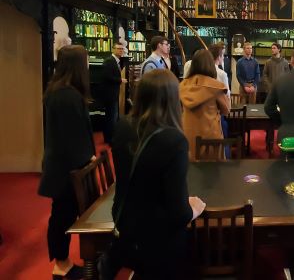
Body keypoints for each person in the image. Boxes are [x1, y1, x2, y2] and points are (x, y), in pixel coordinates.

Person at [101, 70, 206, 279]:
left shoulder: (122, 127)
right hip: (158, 238)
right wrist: (193, 209)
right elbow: (178, 213)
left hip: (126, 224)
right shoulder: (174, 140)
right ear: (173, 99)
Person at [38, 45, 95, 280]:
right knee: (63, 215)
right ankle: (61, 264)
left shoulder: (59, 91)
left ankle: (63, 262)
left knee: (63, 214)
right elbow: (73, 136)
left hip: (61, 164)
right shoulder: (67, 96)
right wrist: (87, 158)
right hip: (66, 168)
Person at [180, 50, 230, 159]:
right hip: (210, 137)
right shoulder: (216, 86)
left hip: (187, 134)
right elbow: (226, 110)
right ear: (211, 65)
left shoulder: (183, 85)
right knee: (212, 171)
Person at [100, 43, 127, 145]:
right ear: (113, 50)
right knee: (111, 117)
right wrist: (120, 80)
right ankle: (109, 139)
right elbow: (106, 76)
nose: (121, 50)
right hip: (109, 94)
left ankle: (110, 137)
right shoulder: (109, 61)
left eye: (122, 49)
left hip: (113, 93)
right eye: (118, 49)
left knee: (113, 116)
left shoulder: (117, 61)